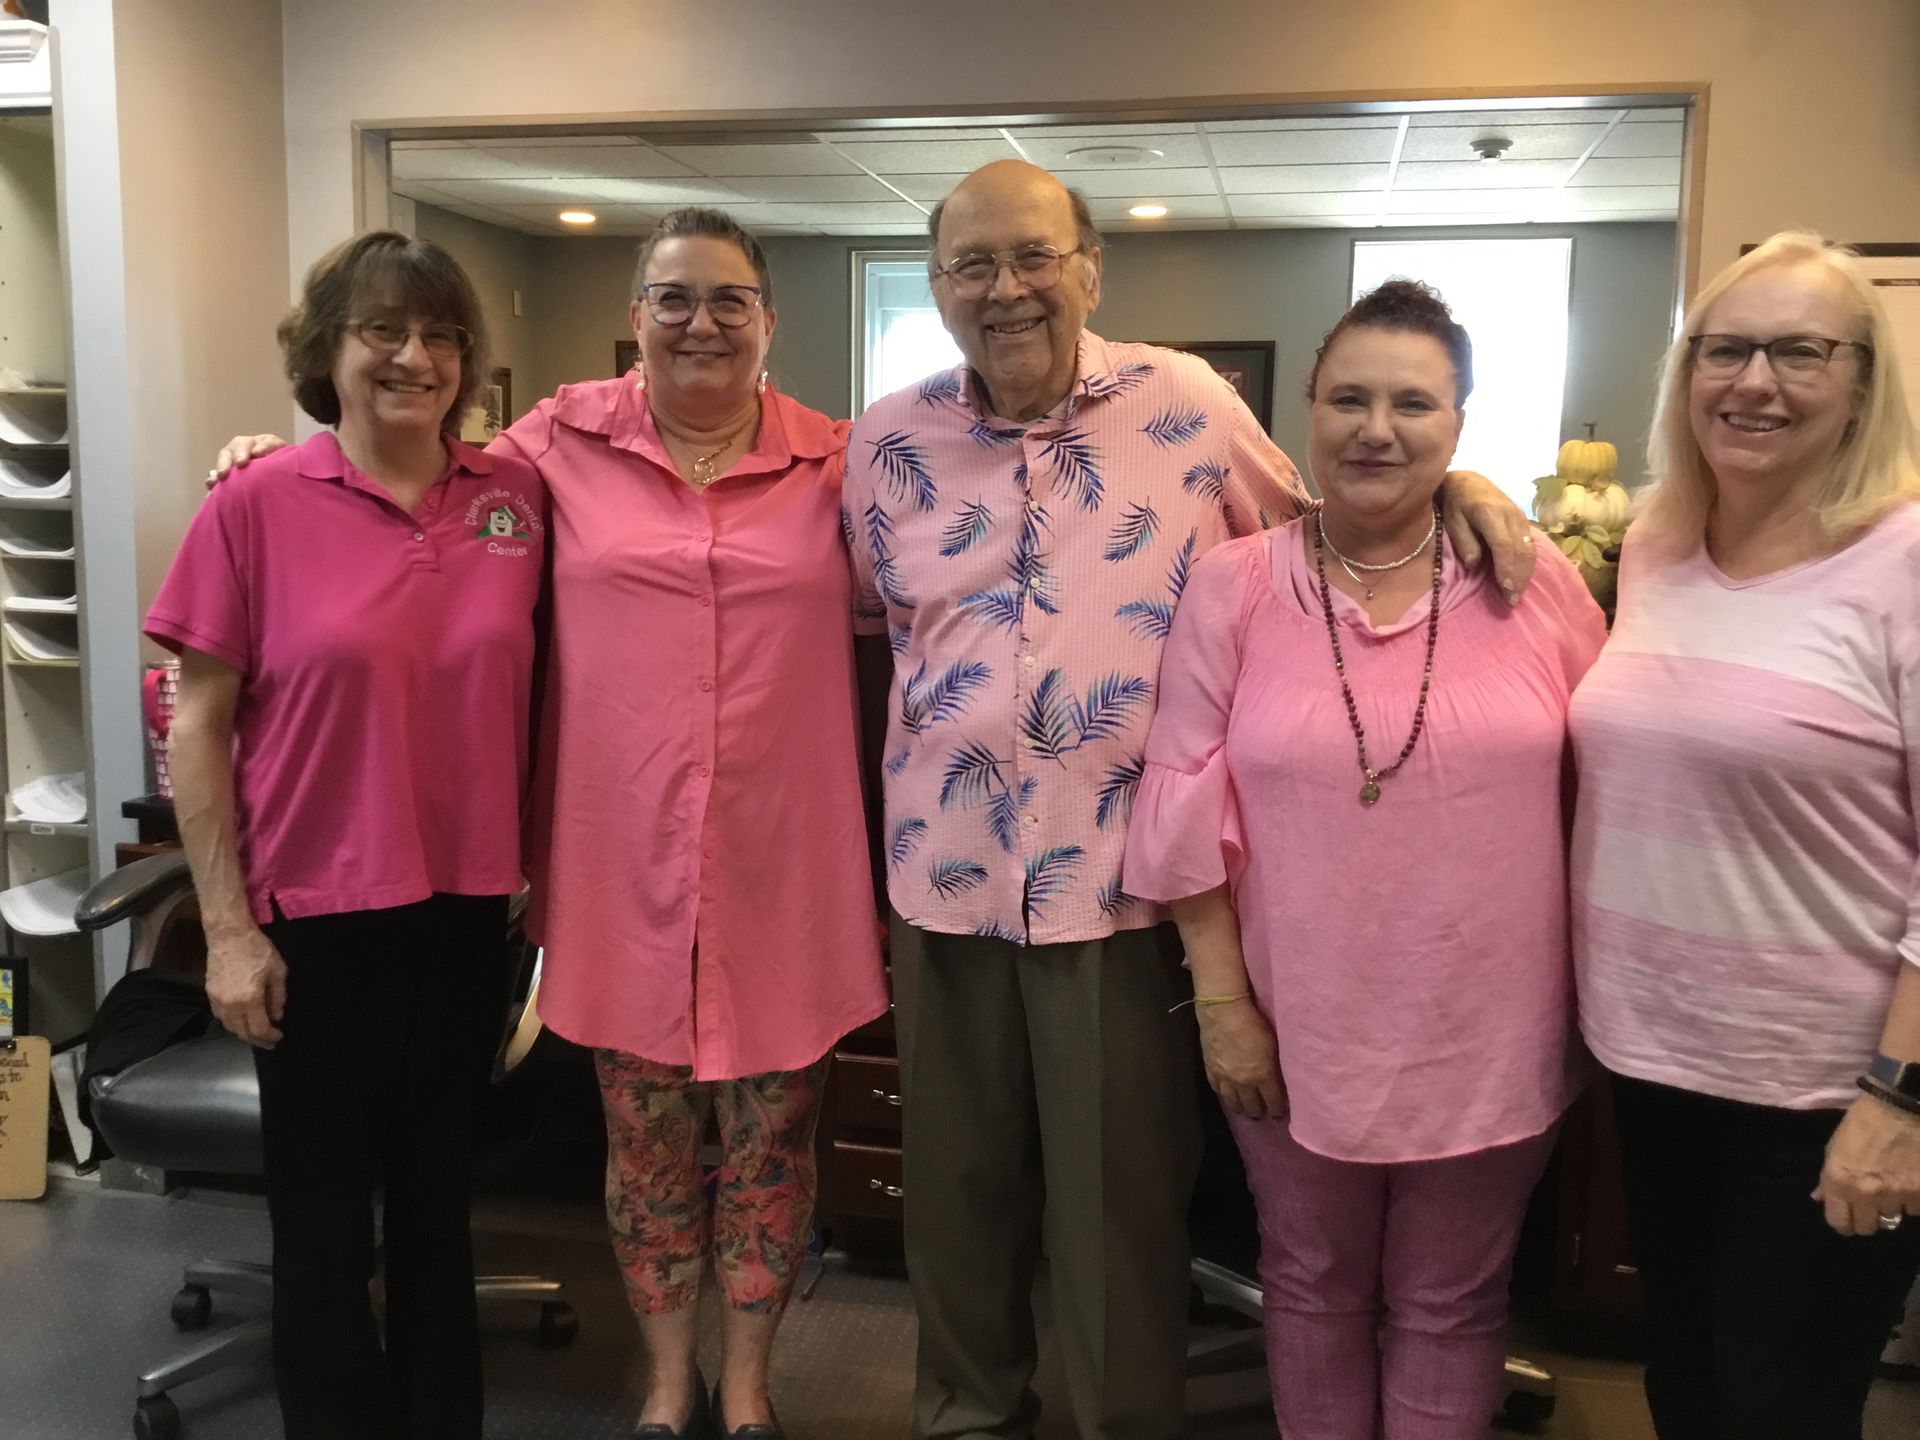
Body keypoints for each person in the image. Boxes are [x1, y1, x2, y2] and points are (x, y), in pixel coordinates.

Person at [840, 159, 1538, 1440]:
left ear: (1090, 268)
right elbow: (877, 622)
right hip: (940, 886)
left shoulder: (1189, 406)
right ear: (938, 288)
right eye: (972, 265)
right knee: (954, 1205)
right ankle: (965, 1420)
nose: (1006, 290)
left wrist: (1473, 490)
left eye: (1034, 257)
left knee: (1115, 1224)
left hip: (1120, 897)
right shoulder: (884, 442)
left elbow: (1335, 522)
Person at [214, 207, 887, 1440]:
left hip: (785, 867)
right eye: (673, 295)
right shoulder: (552, 449)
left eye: (729, 297)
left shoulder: (838, 464)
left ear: (770, 320)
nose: (701, 320)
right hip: (622, 864)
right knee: (644, 1146)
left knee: (770, 1147)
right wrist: (281, 458)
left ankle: (747, 1390)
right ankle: (667, 1383)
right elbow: (407, 463)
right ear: (634, 315)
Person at [1120, 281, 1605, 1440]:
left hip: (1493, 1028)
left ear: (1460, 427)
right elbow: (1184, 799)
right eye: (1349, 398)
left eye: (1413, 405)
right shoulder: (1234, 588)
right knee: (1311, 1288)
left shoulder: (1535, 587)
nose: (1377, 428)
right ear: (1306, 410)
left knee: (1453, 1301)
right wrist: (1224, 1005)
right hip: (1295, 1027)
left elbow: (1616, 788)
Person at [156, 231, 542, 1440]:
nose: (413, 356)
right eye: (382, 329)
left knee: (439, 1212)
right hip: (315, 924)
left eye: (439, 335)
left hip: (470, 911)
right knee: (322, 1226)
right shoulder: (254, 505)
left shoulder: (515, 502)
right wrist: (226, 933)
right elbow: (196, 729)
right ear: (326, 348)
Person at [1570, 231, 1920, 1440]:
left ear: (1863, 380)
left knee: (1781, 1407)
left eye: (1799, 352)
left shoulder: (1908, 559)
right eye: (1727, 348)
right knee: (1689, 1386)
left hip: (1827, 1087)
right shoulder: (1661, 535)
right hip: (1656, 1061)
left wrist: (1902, 1097)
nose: (1754, 381)